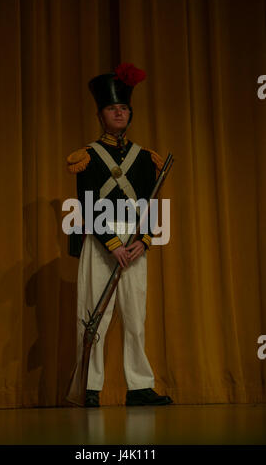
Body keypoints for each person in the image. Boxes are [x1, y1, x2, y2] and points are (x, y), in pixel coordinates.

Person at [67, 63, 173, 407]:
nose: (120, 113)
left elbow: (150, 201)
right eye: (113, 108)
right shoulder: (88, 157)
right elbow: (86, 205)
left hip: (135, 245)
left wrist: (143, 240)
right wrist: (113, 245)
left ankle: (140, 387)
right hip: (103, 242)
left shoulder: (145, 157)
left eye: (124, 108)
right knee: (94, 316)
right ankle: (90, 387)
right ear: (101, 115)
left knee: (135, 318)